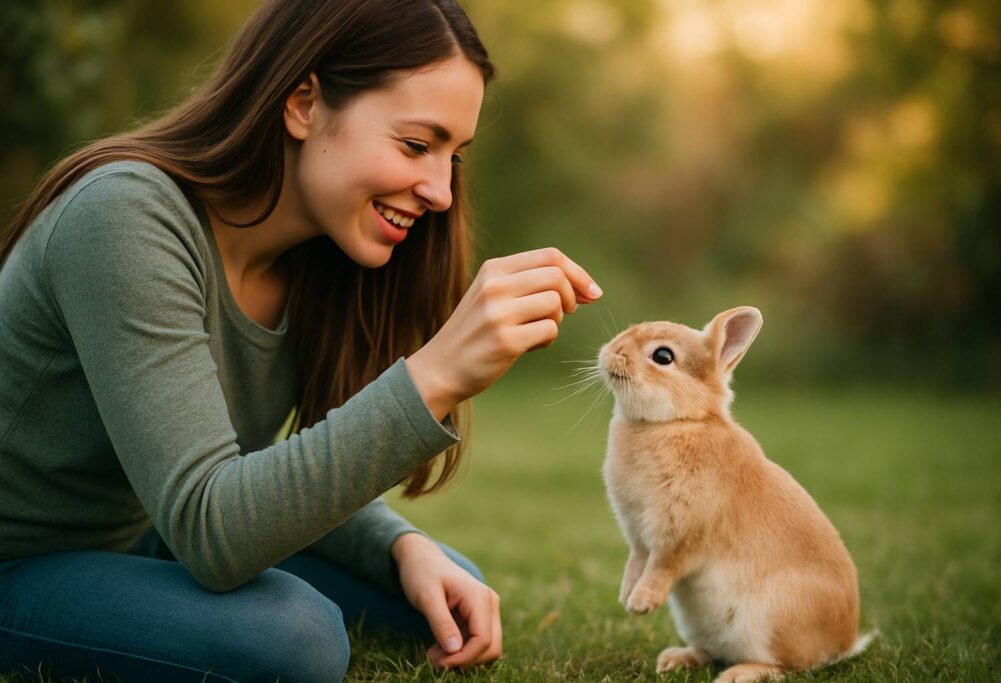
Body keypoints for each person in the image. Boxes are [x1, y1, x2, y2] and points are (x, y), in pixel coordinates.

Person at [0, 0, 602, 680]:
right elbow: (212, 525)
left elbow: (251, 466)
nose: (439, 190)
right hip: (20, 558)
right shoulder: (124, 216)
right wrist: (434, 375)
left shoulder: (316, 255)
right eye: (415, 144)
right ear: (303, 104)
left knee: (437, 582)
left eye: (453, 156)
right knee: (293, 637)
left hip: (144, 534)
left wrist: (397, 543)